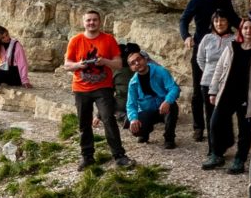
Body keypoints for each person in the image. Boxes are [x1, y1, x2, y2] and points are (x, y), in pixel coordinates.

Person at [176, 0, 238, 142]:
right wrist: (186, 36)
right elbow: (184, 19)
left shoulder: (225, 0)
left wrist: (250, 29)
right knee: (198, 90)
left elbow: (234, 20)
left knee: (222, 89)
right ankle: (198, 127)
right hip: (203, 50)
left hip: (223, 52)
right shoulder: (197, 0)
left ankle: (217, 127)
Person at [64, 10, 132, 169]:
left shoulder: (108, 39)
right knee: (84, 123)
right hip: (81, 88)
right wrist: (79, 65)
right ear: (83, 22)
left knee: (109, 119)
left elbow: (118, 64)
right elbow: (67, 65)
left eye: (94, 20)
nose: (91, 23)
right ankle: (87, 157)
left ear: (99, 22)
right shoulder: (76, 40)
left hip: (103, 87)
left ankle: (119, 155)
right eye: (88, 20)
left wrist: (104, 61)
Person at [199, 13, 251, 173]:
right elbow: (219, 69)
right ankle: (216, 154)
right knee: (215, 123)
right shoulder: (231, 46)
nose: (248, 31)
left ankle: (240, 159)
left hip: (246, 96)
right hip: (226, 93)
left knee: (244, 129)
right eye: (245, 28)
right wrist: (213, 91)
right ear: (241, 30)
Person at [122, 46, 180, 148]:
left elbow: (174, 88)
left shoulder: (160, 71)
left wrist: (167, 101)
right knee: (136, 129)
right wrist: (133, 119)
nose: (136, 63)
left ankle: (169, 138)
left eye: (138, 59)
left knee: (173, 107)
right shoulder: (133, 83)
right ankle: (144, 133)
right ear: (131, 68)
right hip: (147, 110)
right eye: (132, 63)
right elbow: (131, 104)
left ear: (145, 59)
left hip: (163, 107)